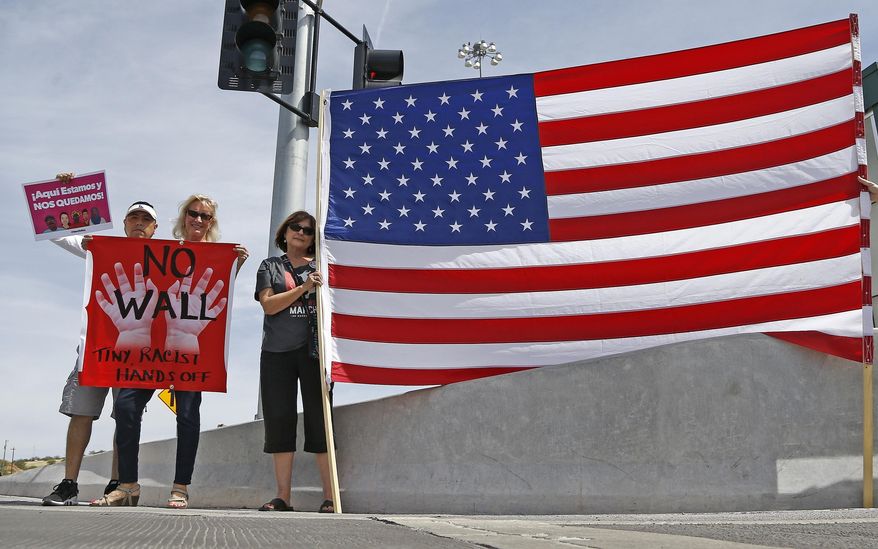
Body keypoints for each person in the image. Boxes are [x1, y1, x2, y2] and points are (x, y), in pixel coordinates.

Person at [99, 194, 248, 508]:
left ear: (211, 223)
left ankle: (180, 487)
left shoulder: (219, 255)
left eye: (205, 216)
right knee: (126, 406)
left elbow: (215, 295)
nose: (198, 219)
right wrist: (89, 248)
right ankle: (127, 485)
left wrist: (235, 265)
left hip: (188, 352)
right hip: (148, 351)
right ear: (183, 218)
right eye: (193, 213)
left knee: (188, 415)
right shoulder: (163, 252)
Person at [42, 176, 159, 506]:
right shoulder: (100, 248)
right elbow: (57, 231)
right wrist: (65, 192)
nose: (139, 223)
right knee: (82, 413)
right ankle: (69, 484)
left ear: (154, 228)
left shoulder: (166, 258)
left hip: (136, 353)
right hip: (96, 347)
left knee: (126, 417)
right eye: (134, 218)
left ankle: (116, 485)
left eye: (146, 220)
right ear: (124, 224)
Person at [255, 211, 334, 513]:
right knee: (280, 421)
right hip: (277, 353)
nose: (301, 232)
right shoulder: (270, 266)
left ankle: (329, 496)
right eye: (295, 227)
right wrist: (303, 289)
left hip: (315, 353)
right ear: (285, 232)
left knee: (320, 421)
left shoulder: (323, 267)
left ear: (315, 238)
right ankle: (282, 496)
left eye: (308, 230)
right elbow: (269, 305)